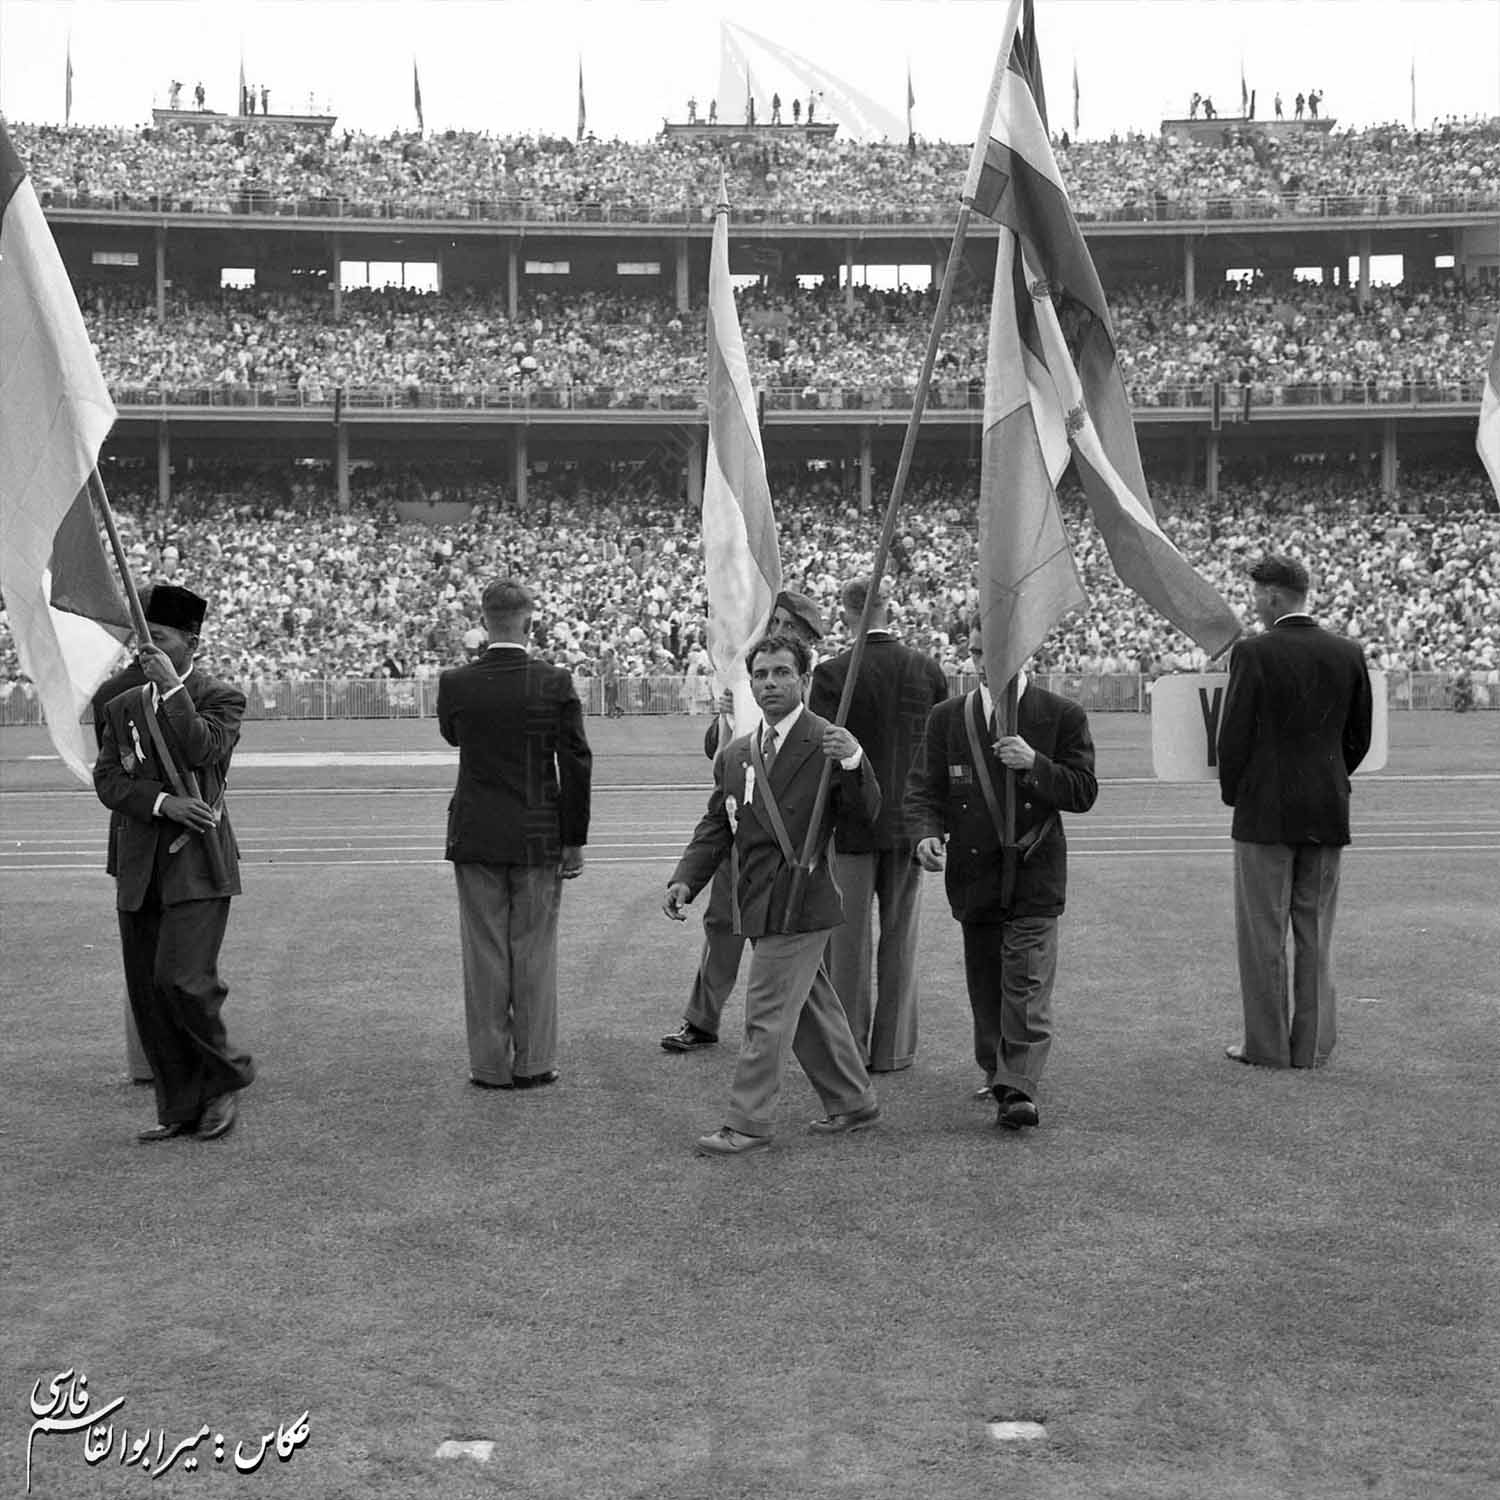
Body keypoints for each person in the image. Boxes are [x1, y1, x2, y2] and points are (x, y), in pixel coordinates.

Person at [664, 632, 880, 1156]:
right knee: (810, 1009)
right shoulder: (739, 753)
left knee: (765, 1013)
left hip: (803, 900)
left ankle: (748, 1122)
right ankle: (854, 1101)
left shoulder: (829, 742)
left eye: (782, 672)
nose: (770, 684)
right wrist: (686, 878)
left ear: (803, 679)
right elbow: (719, 823)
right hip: (758, 902)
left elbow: (864, 815)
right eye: (760, 675)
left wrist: (855, 763)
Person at [906, 630, 1097, 1131]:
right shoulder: (947, 716)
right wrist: (926, 835)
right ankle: (997, 1071)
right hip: (975, 875)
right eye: (975, 650)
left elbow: (1083, 792)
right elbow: (926, 789)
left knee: (1028, 983)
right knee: (986, 984)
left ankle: (1019, 1087)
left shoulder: (1061, 715)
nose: (984, 660)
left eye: (996, 649)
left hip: (1035, 871)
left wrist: (1037, 764)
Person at [92, 584, 253, 1142]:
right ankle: (182, 1106)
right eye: (142, 640)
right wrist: (161, 803)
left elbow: (201, 749)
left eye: (157, 639)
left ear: (191, 642)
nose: (146, 649)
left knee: (184, 980)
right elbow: (109, 778)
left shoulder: (221, 697)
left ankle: (227, 1078)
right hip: (139, 865)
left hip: (199, 863)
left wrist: (169, 688)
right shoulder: (119, 703)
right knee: (149, 992)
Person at [1216, 555, 1372, 1070]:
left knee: (1262, 934)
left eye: (1256, 594)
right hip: (1326, 807)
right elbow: (1358, 737)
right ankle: (1310, 1046)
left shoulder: (1253, 653)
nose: (1253, 603)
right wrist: (1327, 777)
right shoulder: (1347, 652)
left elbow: (1233, 735)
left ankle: (1265, 1045)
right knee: (1315, 932)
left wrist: (1238, 791)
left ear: (1276, 597)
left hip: (1265, 811)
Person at [438, 579, 592, 1090]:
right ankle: (534, 1062)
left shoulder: (456, 682)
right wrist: (574, 839)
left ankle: (489, 1066)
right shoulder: (555, 681)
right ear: (530, 622)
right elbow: (575, 761)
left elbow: (454, 736)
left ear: (485, 622)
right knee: (534, 951)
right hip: (538, 832)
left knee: (483, 952)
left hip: (477, 831)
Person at [660, 590, 826, 1054]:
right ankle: (702, 1018)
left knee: (796, 943)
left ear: (807, 634)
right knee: (722, 924)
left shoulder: (817, 679)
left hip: (792, 840)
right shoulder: (751, 672)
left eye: (787, 625)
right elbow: (717, 750)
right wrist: (725, 720)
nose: (777, 629)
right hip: (741, 821)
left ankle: (817, 1039)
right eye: (775, 621)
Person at [809, 578, 948, 1072]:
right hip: (911, 824)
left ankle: (848, 1046)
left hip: (852, 824)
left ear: (846, 613)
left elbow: (822, 756)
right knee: (901, 939)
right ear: (890, 605)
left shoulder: (832, 674)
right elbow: (938, 753)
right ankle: (893, 1049)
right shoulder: (927, 671)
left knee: (846, 948)